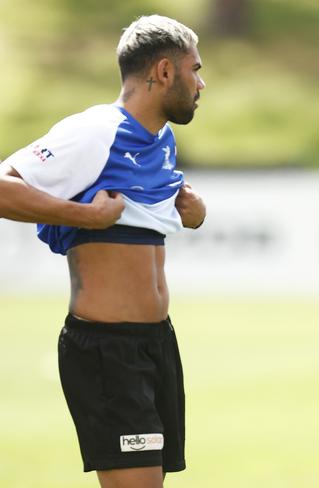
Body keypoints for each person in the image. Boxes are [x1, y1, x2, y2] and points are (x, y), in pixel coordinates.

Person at [0, 14, 206, 488]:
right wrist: (86, 218)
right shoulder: (95, 129)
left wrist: (195, 214)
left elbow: (159, 211)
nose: (202, 82)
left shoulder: (162, 140)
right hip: (107, 350)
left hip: (156, 343)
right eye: (195, 68)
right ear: (164, 71)